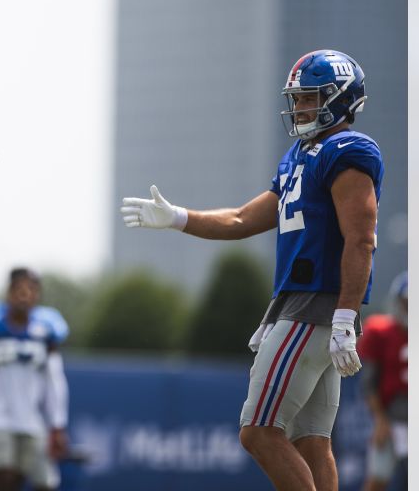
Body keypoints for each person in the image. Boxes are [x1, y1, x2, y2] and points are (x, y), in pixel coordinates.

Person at [120, 49, 383, 491]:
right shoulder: (301, 155)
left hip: (315, 307)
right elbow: (243, 219)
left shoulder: (348, 150)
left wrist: (343, 316)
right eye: (297, 98)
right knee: (312, 443)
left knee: (258, 431)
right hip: (305, 306)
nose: (299, 107)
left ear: (340, 98)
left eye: (310, 98)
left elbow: (361, 238)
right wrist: (179, 217)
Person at [0, 269, 70, 491]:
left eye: (31, 289)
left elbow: (54, 380)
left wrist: (57, 425)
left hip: (32, 418)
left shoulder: (47, 330)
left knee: (44, 483)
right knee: (4, 478)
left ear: (38, 295)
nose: (25, 295)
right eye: (19, 289)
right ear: (9, 292)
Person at [358, 271, 408, 491]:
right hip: (391, 419)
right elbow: (369, 383)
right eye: (407, 303)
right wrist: (380, 420)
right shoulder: (382, 332)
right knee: (378, 479)